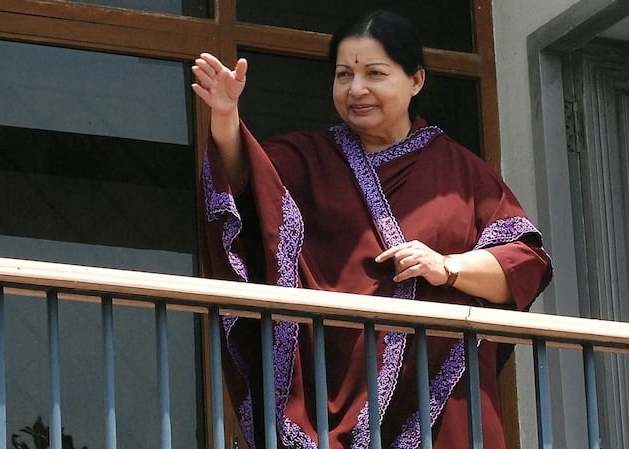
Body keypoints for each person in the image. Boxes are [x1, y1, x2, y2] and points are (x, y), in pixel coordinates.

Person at [191, 9, 552, 449]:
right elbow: (244, 189)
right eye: (344, 75)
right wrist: (226, 117)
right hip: (329, 390)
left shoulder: (460, 172)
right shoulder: (306, 158)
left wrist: (447, 267)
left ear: (415, 80)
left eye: (374, 74)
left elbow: (524, 265)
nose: (356, 89)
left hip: (438, 403)